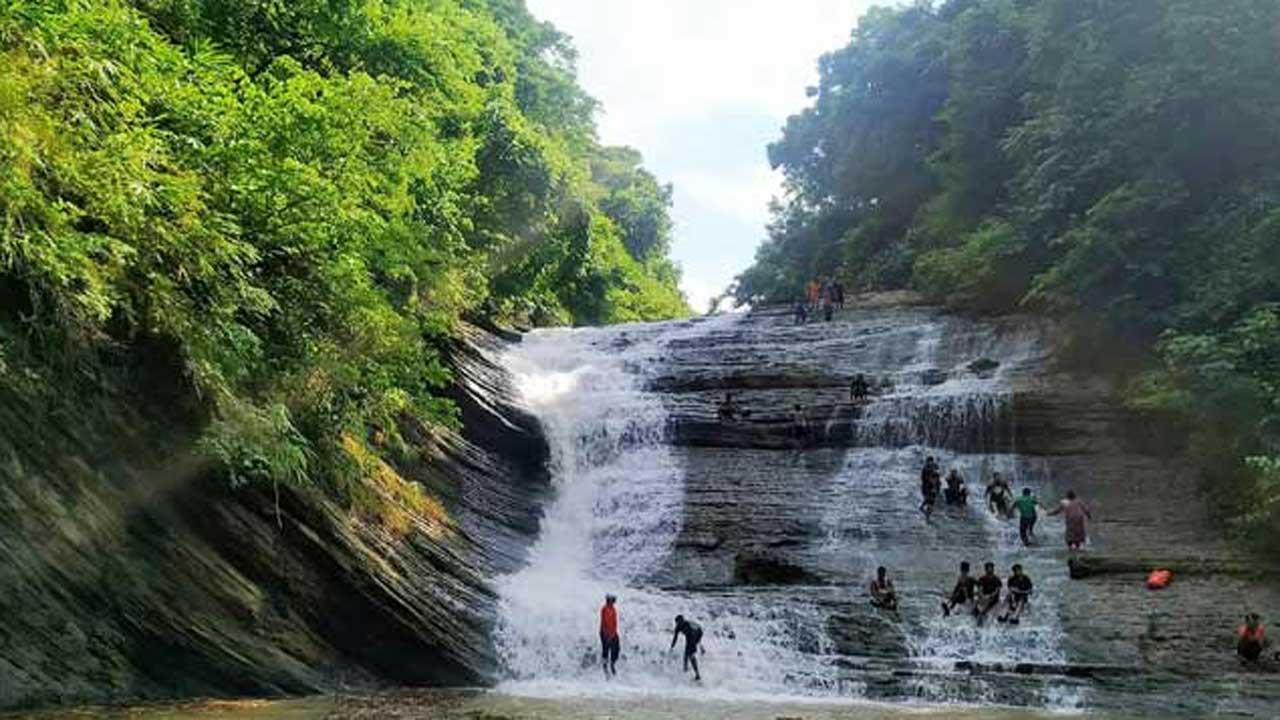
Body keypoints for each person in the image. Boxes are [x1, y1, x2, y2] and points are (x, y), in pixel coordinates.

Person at [670, 614, 705, 681]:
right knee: (686, 654)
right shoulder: (678, 627)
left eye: (680, 622)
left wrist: (696, 646)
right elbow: (675, 637)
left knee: (690, 655)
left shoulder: (688, 627)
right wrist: (672, 647)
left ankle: (697, 675)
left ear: (683, 621)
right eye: (677, 623)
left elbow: (694, 639)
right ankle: (685, 669)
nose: (678, 624)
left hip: (698, 632)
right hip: (690, 635)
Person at [600, 594, 620, 678]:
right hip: (605, 633)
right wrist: (607, 635)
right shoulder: (605, 609)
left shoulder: (613, 609)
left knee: (617, 648)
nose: (615, 600)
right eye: (613, 599)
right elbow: (604, 623)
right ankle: (605, 669)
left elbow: (614, 623)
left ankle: (612, 664)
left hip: (613, 632)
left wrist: (614, 633)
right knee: (606, 650)